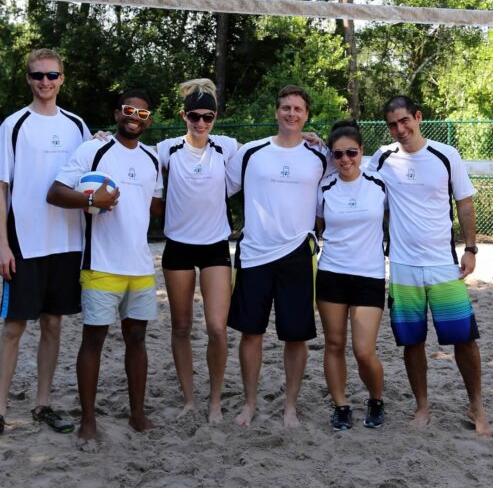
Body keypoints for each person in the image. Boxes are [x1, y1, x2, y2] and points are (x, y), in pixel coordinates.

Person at [368, 95, 493, 437]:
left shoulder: (445, 154)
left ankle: (477, 405)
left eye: (405, 120)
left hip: (442, 265)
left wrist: (470, 249)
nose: (400, 129)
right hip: (403, 266)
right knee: (413, 341)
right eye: (392, 124)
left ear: (418, 117)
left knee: (464, 339)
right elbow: (349, 171)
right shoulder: (382, 158)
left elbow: (464, 203)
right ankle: (421, 406)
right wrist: (320, 146)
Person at [47, 89, 163, 442]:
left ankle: (137, 413)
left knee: (138, 339)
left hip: (141, 266)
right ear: (117, 113)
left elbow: (154, 205)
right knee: (93, 341)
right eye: (129, 110)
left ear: (149, 120)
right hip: (101, 264)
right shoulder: (93, 150)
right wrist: (91, 198)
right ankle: (88, 421)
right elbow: (54, 192)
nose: (135, 117)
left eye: (143, 114)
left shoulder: (153, 159)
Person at [0, 48, 91, 435]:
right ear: (28, 79)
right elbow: (2, 187)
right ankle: (1, 410)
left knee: (53, 324)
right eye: (37, 75)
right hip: (25, 241)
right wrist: (2, 245)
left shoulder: (77, 125)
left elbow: (93, 173)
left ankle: (42, 405)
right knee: (14, 327)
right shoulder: (13, 125)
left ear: (62, 78)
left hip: (67, 241)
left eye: (52, 75)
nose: (45, 82)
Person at [226, 85, 329, 428]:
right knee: (250, 333)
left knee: (296, 335)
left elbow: (347, 181)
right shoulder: (251, 152)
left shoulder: (320, 155)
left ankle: (290, 407)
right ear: (276, 112)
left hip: (298, 255)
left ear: (307, 115)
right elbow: (213, 182)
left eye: (298, 109)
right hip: (254, 253)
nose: (291, 114)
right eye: (285, 107)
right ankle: (250, 403)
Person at [156, 78, 240, 424]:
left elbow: (271, 150)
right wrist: (101, 138)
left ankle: (215, 400)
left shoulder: (228, 147)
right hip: (177, 246)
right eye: (195, 116)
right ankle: (190, 398)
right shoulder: (166, 149)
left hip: (215, 247)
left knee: (217, 328)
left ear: (216, 116)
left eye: (208, 116)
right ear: (184, 115)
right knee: (180, 326)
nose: (202, 123)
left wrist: (308, 138)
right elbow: (127, 152)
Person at [316, 120, 386, 431]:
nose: (345, 160)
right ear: (331, 155)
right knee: (333, 343)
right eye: (338, 154)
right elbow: (317, 227)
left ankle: (376, 398)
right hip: (331, 273)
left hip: (369, 275)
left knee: (363, 350)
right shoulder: (325, 186)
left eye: (351, 152)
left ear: (362, 151)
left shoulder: (380, 182)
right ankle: (341, 405)